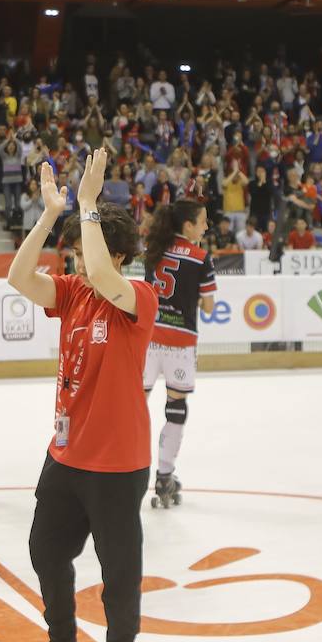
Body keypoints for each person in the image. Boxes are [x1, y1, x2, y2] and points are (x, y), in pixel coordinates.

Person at [5, 149, 158, 642]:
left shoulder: (137, 299)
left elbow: (98, 272)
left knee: (119, 572)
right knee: (46, 550)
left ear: (115, 253)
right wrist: (51, 215)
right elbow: (18, 276)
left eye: (78, 248)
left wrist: (89, 204)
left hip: (118, 462)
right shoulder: (71, 294)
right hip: (65, 455)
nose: (71, 263)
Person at [141, 199, 216, 507]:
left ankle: (121, 469)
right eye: (203, 221)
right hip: (180, 345)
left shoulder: (155, 249)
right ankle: (164, 475)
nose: (206, 226)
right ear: (188, 226)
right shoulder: (201, 258)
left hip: (147, 341)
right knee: (176, 410)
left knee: (134, 406)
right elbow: (209, 307)